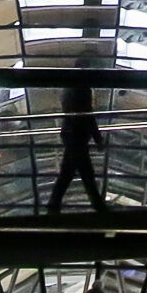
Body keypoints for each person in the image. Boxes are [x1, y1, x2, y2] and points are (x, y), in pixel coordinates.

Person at [46, 83, 106, 214]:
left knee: (69, 173)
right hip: (79, 136)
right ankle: (99, 206)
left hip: (71, 135)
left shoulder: (68, 88)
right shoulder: (83, 89)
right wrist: (98, 139)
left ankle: (53, 205)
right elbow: (88, 115)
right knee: (84, 172)